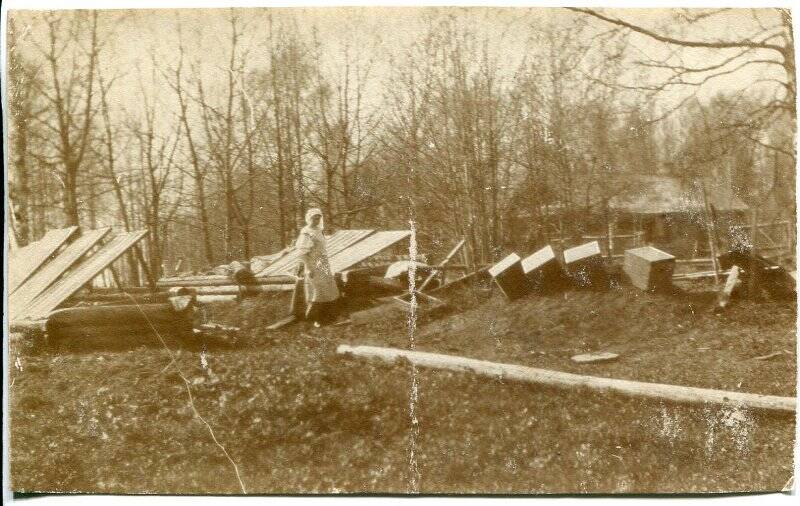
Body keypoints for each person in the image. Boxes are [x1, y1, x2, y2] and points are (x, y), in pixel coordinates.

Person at [294, 208, 340, 327]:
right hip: (313, 263)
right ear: (309, 218)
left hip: (323, 263)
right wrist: (308, 268)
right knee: (316, 290)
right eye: (314, 218)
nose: (316, 220)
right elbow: (301, 253)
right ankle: (316, 319)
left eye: (318, 217)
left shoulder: (319, 230)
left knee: (328, 288)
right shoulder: (306, 233)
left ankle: (328, 317)